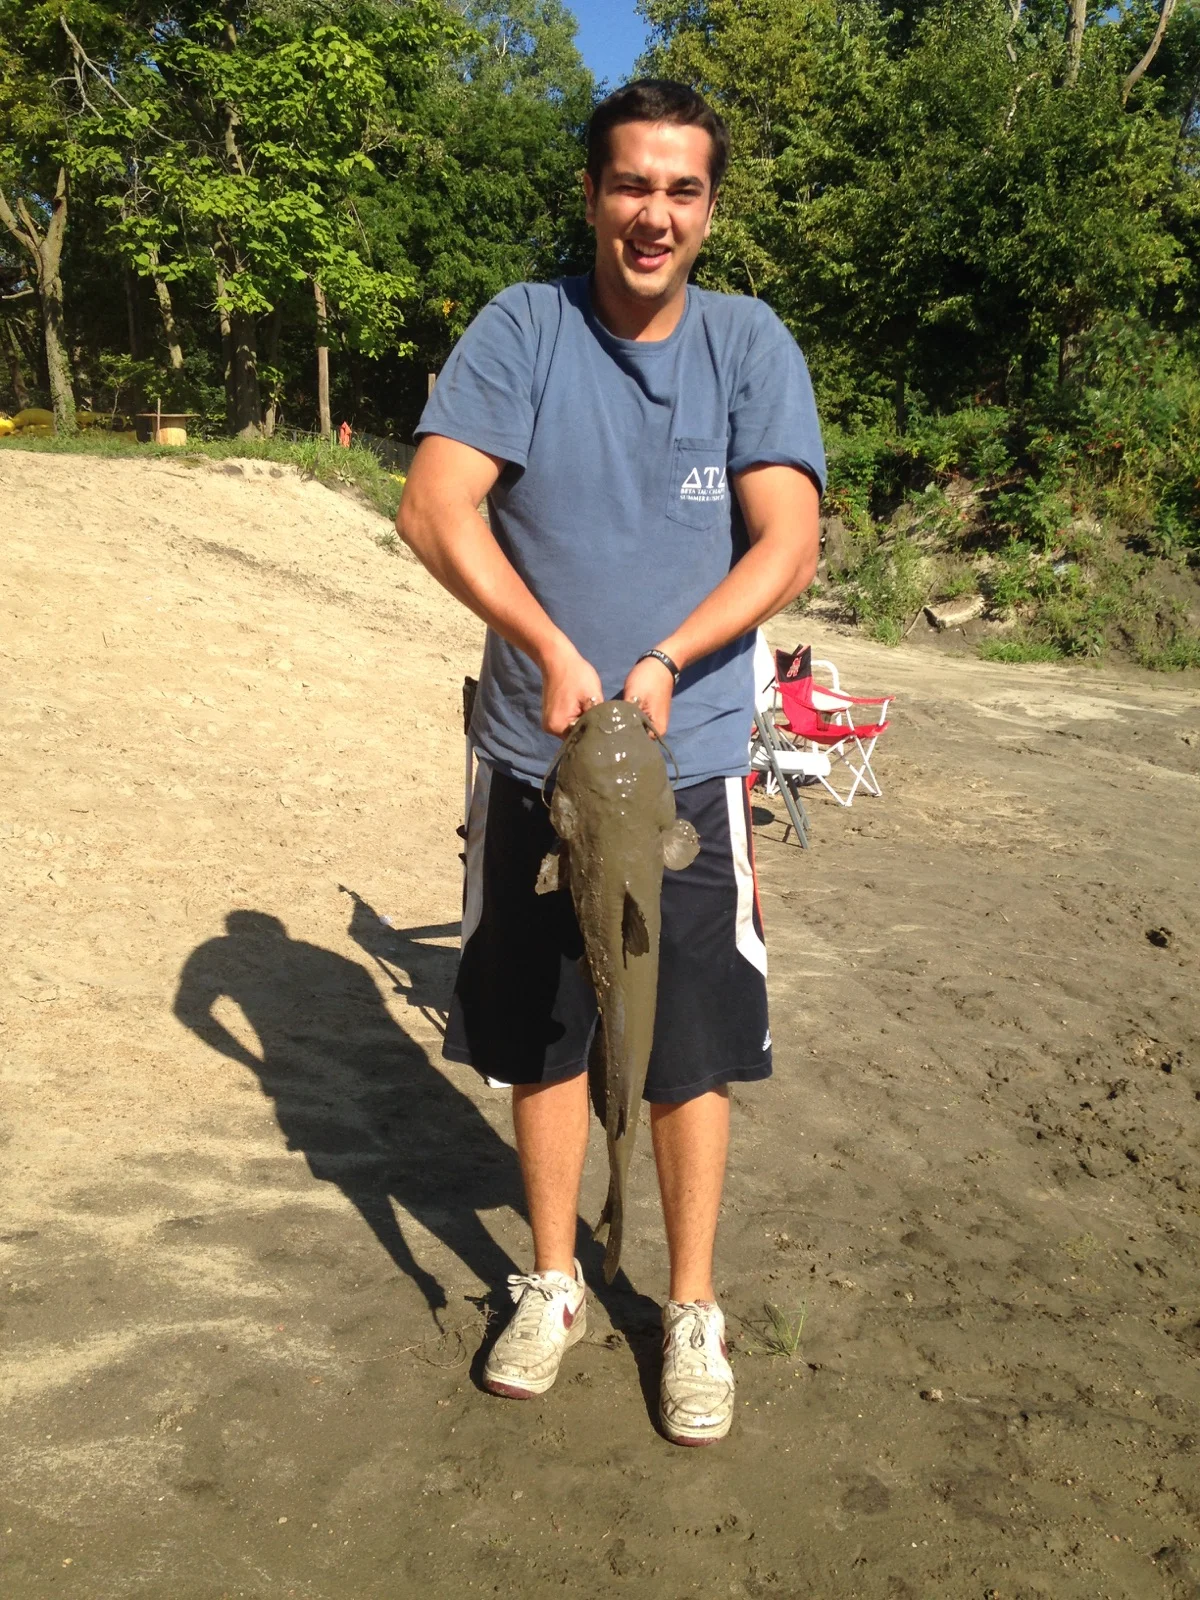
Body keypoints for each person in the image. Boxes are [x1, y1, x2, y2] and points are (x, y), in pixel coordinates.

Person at [397, 79, 824, 1446]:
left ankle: (687, 1304)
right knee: (541, 1034)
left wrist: (666, 657)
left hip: (687, 764)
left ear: (710, 208)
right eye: (631, 185)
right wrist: (546, 641)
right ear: (592, 195)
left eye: (681, 190)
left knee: (688, 1045)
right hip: (535, 757)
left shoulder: (749, 344)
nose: (654, 214)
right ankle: (556, 1275)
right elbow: (435, 505)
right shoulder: (524, 329)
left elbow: (786, 542)